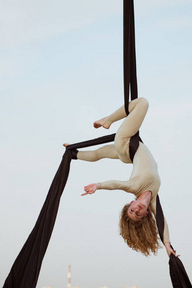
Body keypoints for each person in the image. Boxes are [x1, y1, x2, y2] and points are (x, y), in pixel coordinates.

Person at [66, 97, 176, 257]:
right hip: (128, 156)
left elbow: (116, 184)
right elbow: (162, 224)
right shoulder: (153, 201)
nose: (137, 210)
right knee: (98, 154)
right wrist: (168, 247)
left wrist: (98, 185)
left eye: (132, 210)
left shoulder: (134, 187)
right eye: (138, 214)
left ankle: (107, 120)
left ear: (132, 202)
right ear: (146, 214)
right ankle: (75, 154)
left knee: (142, 103)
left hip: (125, 143)